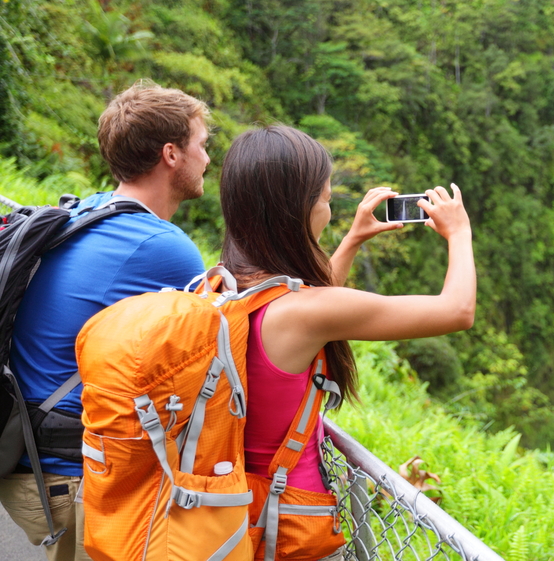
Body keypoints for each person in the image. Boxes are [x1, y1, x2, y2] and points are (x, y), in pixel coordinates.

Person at [219, 125, 475, 557]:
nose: (330, 209)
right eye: (326, 198)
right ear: (297, 210)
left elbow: (307, 312)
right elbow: (457, 310)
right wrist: (460, 233)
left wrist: (354, 238)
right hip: (293, 526)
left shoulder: (225, 285)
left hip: (239, 513)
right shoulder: (305, 312)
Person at [0, 81, 211, 561]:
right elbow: (230, 344)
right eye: (202, 145)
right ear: (171, 154)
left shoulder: (86, 210)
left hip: (28, 459)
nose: (207, 158)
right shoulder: (164, 246)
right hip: (70, 477)